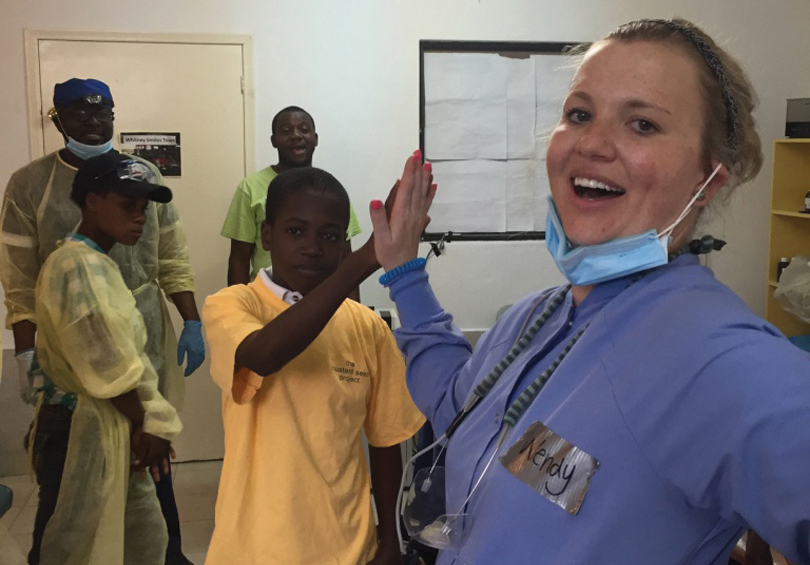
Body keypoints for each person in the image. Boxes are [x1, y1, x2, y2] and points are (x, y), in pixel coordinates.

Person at [363, 18, 810, 565]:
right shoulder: (535, 319)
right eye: (579, 114)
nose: (593, 143)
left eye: (642, 124)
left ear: (709, 178)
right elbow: (459, 404)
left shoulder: (713, 358)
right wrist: (405, 276)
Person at [0, 78, 203, 565]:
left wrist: (190, 320)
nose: (93, 120)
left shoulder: (142, 174)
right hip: (84, 368)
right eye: (79, 111)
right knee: (75, 509)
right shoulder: (41, 200)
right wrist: (27, 352)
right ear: (57, 118)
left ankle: (167, 553)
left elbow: (173, 256)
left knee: (145, 483)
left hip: (137, 337)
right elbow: (19, 280)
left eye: (103, 111)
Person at [202, 167, 424, 565]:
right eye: (295, 231)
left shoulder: (367, 327)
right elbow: (262, 356)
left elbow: (387, 440)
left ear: (342, 242)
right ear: (267, 235)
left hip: (346, 548)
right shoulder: (232, 305)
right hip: (254, 548)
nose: (313, 247)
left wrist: (389, 541)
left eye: (330, 236)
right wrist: (362, 262)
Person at [35, 152, 182, 565]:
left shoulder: (94, 262)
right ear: (92, 201)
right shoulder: (76, 266)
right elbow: (107, 363)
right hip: (81, 425)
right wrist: (145, 423)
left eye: (143, 209)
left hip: (109, 418)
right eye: (127, 206)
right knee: (77, 541)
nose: (139, 218)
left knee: (120, 536)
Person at [220, 106, 363, 289]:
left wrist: (355, 311)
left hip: (323, 300)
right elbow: (239, 258)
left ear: (315, 139)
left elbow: (345, 259)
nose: (296, 135)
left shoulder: (330, 190)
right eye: (286, 131)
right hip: (266, 301)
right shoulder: (250, 188)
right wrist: (237, 306)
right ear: (274, 141)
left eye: (304, 129)